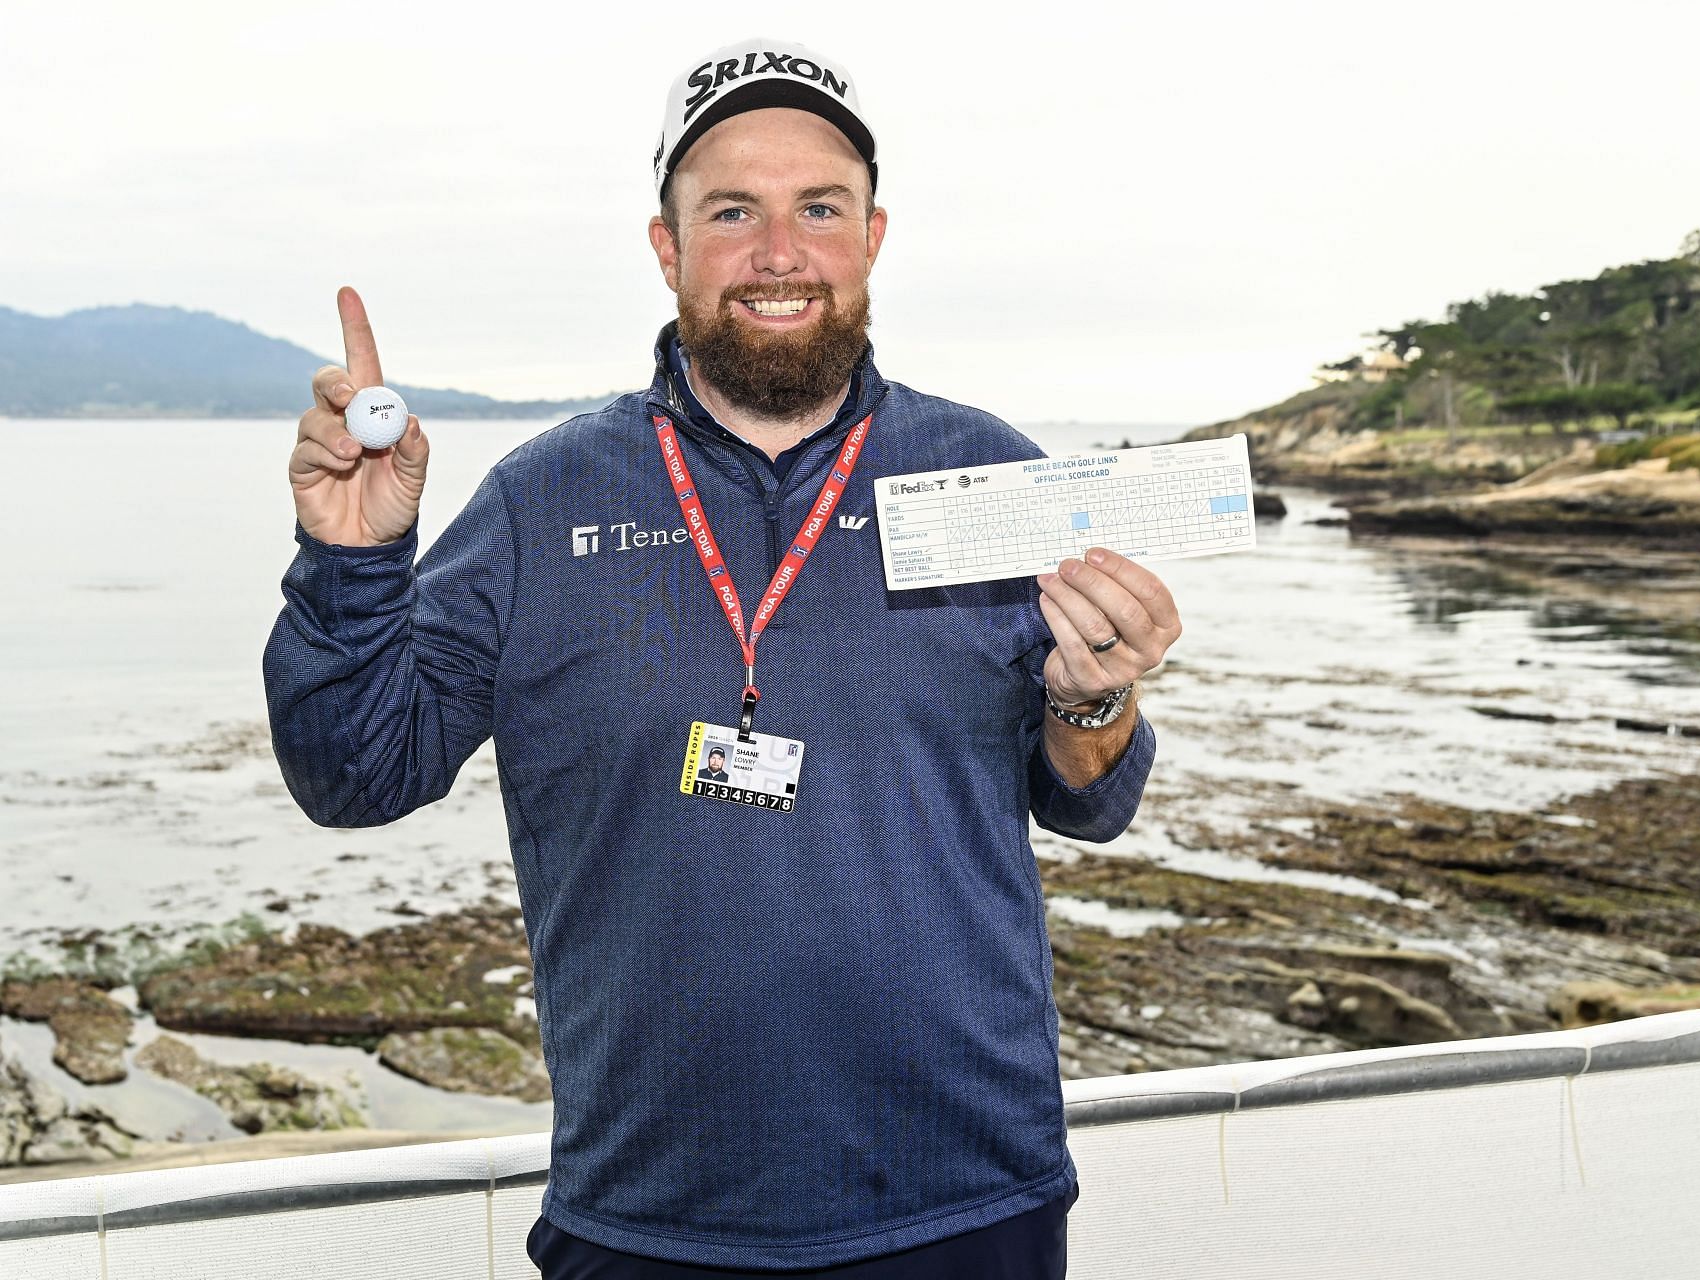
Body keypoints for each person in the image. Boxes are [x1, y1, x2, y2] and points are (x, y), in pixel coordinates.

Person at [266, 37, 1182, 1279]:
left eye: (819, 208)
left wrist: (1098, 693)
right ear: (667, 246)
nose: (779, 251)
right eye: (732, 211)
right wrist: (350, 562)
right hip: (648, 1210)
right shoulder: (545, 498)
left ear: (873, 235)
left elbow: (1093, 796)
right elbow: (355, 771)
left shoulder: (992, 474)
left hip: (968, 1195)